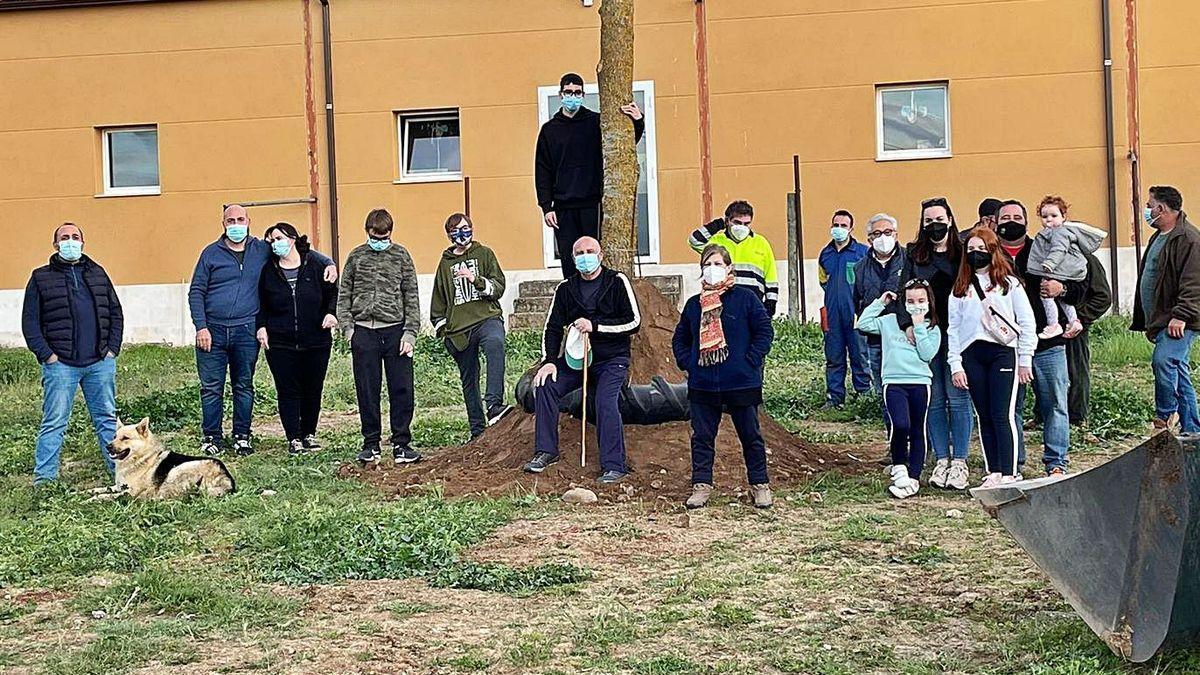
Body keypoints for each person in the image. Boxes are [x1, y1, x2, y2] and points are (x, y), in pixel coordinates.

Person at [189, 204, 336, 456]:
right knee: (212, 387)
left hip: (245, 329)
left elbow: (296, 249)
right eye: (230, 220)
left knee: (243, 385)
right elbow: (196, 291)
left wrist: (329, 262)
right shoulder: (210, 254)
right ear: (223, 224)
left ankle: (242, 436)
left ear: (249, 221)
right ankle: (212, 436)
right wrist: (201, 326)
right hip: (212, 330)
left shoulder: (261, 249)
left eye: (240, 219)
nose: (236, 224)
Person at [525, 236, 641, 483]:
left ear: (600, 256)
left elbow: (633, 322)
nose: (585, 256)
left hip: (612, 359)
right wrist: (548, 361)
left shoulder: (617, 282)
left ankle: (614, 465)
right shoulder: (566, 289)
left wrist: (595, 326)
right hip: (576, 359)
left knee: (605, 401)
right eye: (579, 252)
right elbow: (553, 327)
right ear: (573, 258)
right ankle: (546, 451)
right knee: (546, 385)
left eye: (590, 251)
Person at [672, 245, 775, 509]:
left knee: (751, 435)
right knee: (702, 437)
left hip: (741, 380)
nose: (713, 269)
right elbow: (681, 338)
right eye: (708, 263)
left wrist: (751, 360)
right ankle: (701, 486)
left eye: (718, 263)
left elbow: (764, 331)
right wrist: (689, 363)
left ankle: (760, 485)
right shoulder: (695, 305)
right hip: (704, 383)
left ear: (729, 268)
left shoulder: (745, 299)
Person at [22, 223, 123, 484]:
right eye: (64, 238)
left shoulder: (98, 273)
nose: (70, 241)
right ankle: (45, 480)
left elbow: (115, 313)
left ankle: (120, 475)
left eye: (75, 237)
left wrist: (112, 350)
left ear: (83, 242)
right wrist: (47, 355)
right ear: (55, 245)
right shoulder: (40, 277)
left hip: (99, 362)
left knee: (108, 422)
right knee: (54, 422)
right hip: (61, 365)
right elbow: (30, 323)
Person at [996, 199, 1084, 476]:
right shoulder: (989, 254)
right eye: (1005, 216)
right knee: (1012, 407)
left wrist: (1063, 289)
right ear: (995, 222)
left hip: (1047, 344)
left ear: (1026, 221)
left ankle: (1056, 462)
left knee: (1055, 404)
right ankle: (1015, 462)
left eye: (1017, 216)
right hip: (1007, 345)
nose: (1011, 221)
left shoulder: (1044, 247)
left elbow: (1082, 289)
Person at [947, 228, 1036, 487]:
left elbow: (1027, 322)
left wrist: (1024, 360)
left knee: (1001, 413)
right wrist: (955, 364)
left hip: (1002, 352)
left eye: (982, 249)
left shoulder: (1009, 284)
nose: (976, 254)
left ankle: (1009, 471)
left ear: (993, 251)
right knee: (983, 414)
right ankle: (994, 469)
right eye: (971, 250)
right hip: (972, 354)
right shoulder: (960, 288)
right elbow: (953, 328)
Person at [535, 72, 644, 278]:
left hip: (592, 203)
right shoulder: (549, 130)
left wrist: (638, 121)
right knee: (570, 259)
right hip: (562, 207)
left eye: (577, 92)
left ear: (583, 95)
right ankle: (573, 302)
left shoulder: (595, 122)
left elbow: (621, 145)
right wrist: (546, 206)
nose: (572, 96)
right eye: (568, 92)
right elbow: (542, 170)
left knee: (594, 254)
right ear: (561, 94)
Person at [899, 197, 973, 490]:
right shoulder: (913, 254)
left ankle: (960, 462)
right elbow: (902, 289)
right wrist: (907, 324)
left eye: (939, 219)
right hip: (927, 336)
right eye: (928, 221)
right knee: (934, 400)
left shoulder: (964, 252)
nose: (934, 225)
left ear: (951, 220)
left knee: (958, 398)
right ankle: (942, 458)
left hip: (958, 336)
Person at [337, 209, 422, 465]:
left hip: (395, 331)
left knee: (402, 388)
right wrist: (349, 330)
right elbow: (344, 296)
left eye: (384, 236)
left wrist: (410, 332)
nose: (380, 240)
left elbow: (411, 296)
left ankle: (401, 444)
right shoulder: (356, 257)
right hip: (364, 332)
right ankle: (370, 444)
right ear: (367, 232)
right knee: (367, 389)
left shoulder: (401, 256)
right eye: (376, 235)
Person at [256, 222, 338, 456]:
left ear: (292, 238)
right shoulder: (268, 270)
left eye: (279, 238)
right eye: (271, 241)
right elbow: (260, 302)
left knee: (313, 388)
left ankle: (309, 433)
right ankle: (293, 437)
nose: (275, 244)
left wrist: (331, 313)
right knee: (288, 389)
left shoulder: (315, 264)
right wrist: (261, 327)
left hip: (316, 339)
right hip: (280, 342)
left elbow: (332, 290)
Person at [855, 279, 941, 499]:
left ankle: (913, 476)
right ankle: (899, 466)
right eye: (911, 301)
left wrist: (919, 326)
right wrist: (880, 302)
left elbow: (927, 354)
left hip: (920, 382)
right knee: (900, 424)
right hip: (893, 382)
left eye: (921, 300)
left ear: (929, 301)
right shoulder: (890, 321)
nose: (916, 304)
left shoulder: (933, 327)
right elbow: (863, 324)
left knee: (917, 429)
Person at [430, 213, 511, 441]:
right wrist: (444, 331)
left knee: (495, 343)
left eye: (465, 228)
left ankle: (494, 404)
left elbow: (498, 286)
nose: (461, 234)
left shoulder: (484, 254)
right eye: (455, 230)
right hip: (459, 330)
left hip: (486, 318)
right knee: (469, 376)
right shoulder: (445, 263)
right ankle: (477, 429)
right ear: (448, 234)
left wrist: (475, 279)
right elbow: (438, 303)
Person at [1131, 185, 1200, 435]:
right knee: (1178, 371)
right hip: (1161, 319)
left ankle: (1166, 413)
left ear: (1161, 208)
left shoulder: (1189, 239)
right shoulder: (1159, 236)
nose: (1147, 211)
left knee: (1164, 360)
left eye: (1149, 207)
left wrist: (1181, 315)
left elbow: (1194, 281)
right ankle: (1192, 430)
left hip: (1181, 319)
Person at [1029, 196, 1107, 339]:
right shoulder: (1046, 239)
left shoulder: (1060, 234)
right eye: (1044, 216)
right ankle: (1072, 320)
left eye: (1054, 215)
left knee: (1047, 295)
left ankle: (1055, 324)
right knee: (1061, 299)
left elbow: (1058, 249)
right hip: (1059, 333)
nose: (1049, 220)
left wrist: (1049, 265)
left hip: (1054, 271)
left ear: (1064, 216)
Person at [686, 200, 779, 315]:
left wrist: (770, 304)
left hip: (752, 304)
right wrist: (717, 224)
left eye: (746, 224)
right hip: (721, 303)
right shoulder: (717, 241)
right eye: (737, 222)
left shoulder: (761, 243)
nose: (742, 227)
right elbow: (694, 241)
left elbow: (771, 277)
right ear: (727, 221)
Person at [853, 213, 906, 409]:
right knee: (883, 390)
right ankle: (892, 432)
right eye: (877, 233)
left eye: (887, 232)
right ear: (869, 239)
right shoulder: (860, 268)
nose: (883, 237)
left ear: (896, 235)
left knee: (909, 388)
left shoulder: (910, 261)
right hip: (877, 340)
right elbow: (858, 300)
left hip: (905, 338)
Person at [818, 209, 870, 409]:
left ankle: (864, 396)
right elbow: (823, 281)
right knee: (834, 357)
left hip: (856, 314)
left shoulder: (862, 253)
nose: (838, 229)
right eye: (835, 225)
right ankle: (834, 397)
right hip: (832, 313)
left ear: (851, 229)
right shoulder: (825, 254)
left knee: (859, 355)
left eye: (843, 226)